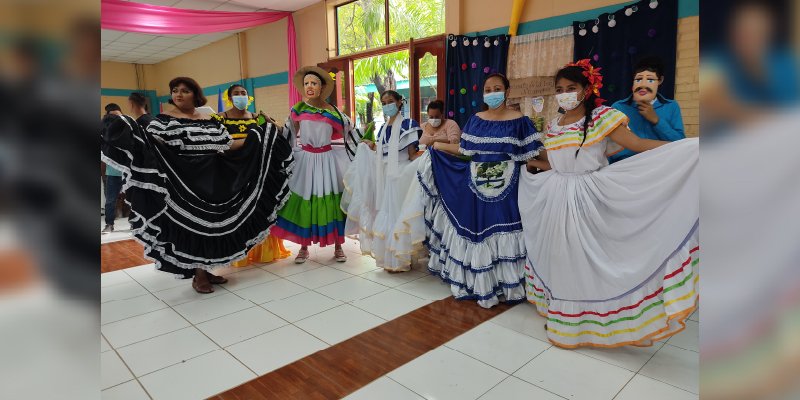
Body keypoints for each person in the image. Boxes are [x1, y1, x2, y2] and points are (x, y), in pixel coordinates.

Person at [518, 60, 698, 349]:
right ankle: (564, 318)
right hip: (557, 195)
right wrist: (532, 163)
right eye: (560, 89)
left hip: (588, 195)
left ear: (586, 89)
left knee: (583, 258)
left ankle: (590, 321)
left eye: (571, 88)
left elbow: (637, 144)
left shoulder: (602, 117)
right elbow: (556, 160)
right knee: (561, 256)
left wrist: (684, 148)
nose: (565, 94)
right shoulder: (554, 125)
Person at [101, 76, 294, 293]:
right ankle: (198, 275)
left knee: (213, 225)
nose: (178, 94)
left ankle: (206, 269)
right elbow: (155, 148)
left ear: (195, 94)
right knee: (194, 227)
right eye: (175, 90)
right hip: (184, 181)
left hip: (215, 178)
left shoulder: (209, 118)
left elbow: (227, 145)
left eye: (185, 90)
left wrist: (258, 137)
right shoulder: (163, 120)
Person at [414, 73, 543, 308]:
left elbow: (532, 155)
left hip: (510, 187)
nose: (492, 92)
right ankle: (480, 282)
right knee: (479, 231)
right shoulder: (476, 120)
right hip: (476, 185)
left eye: (497, 88)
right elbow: (465, 151)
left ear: (506, 91)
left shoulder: (520, 121)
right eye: (487, 89)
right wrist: (437, 146)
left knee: (505, 228)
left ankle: (509, 284)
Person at [272, 66, 361, 264]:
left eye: (314, 83)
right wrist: (272, 133)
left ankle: (339, 246)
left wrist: (365, 145)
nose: (309, 87)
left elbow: (352, 132)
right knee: (305, 201)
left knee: (333, 203)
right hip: (306, 161)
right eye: (306, 84)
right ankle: (303, 248)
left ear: (321, 87)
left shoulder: (334, 112)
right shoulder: (297, 110)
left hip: (328, 160)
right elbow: (288, 135)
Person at [341, 90, 422, 271]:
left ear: (400, 102)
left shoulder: (407, 124)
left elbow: (411, 154)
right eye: (384, 102)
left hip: (400, 174)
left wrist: (427, 159)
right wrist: (371, 146)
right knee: (385, 211)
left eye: (391, 101)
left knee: (397, 213)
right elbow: (383, 151)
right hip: (385, 175)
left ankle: (400, 259)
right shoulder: (384, 127)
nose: (387, 105)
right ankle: (389, 258)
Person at [218, 83, 291, 266]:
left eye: (243, 93)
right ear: (229, 97)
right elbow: (220, 144)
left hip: (259, 171)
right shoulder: (220, 118)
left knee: (261, 209)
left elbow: (278, 133)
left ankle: (265, 251)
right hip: (233, 173)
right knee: (239, 212)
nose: (240, 96)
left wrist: (269, 121)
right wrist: (250, 140)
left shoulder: (256, 118)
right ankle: (239, 254)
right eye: (236, 93)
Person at [610, 56, 685, 163]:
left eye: (650, 79)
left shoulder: (671, 106)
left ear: (660, 80)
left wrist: (656, 121)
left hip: (661, 165)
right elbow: (610, 145)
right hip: (625, 166)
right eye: (639, 79)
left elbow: (681, 144)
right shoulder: (618, 107)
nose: (643, 85)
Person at [102, 103, 124, 234]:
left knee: (134, 199)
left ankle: (135, 223)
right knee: (110, 200)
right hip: (113, 172)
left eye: (118, 116)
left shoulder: (128, 127)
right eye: (113, 117)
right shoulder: (105, 130)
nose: (116, 119)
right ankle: (109, 224)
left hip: (129, 171)